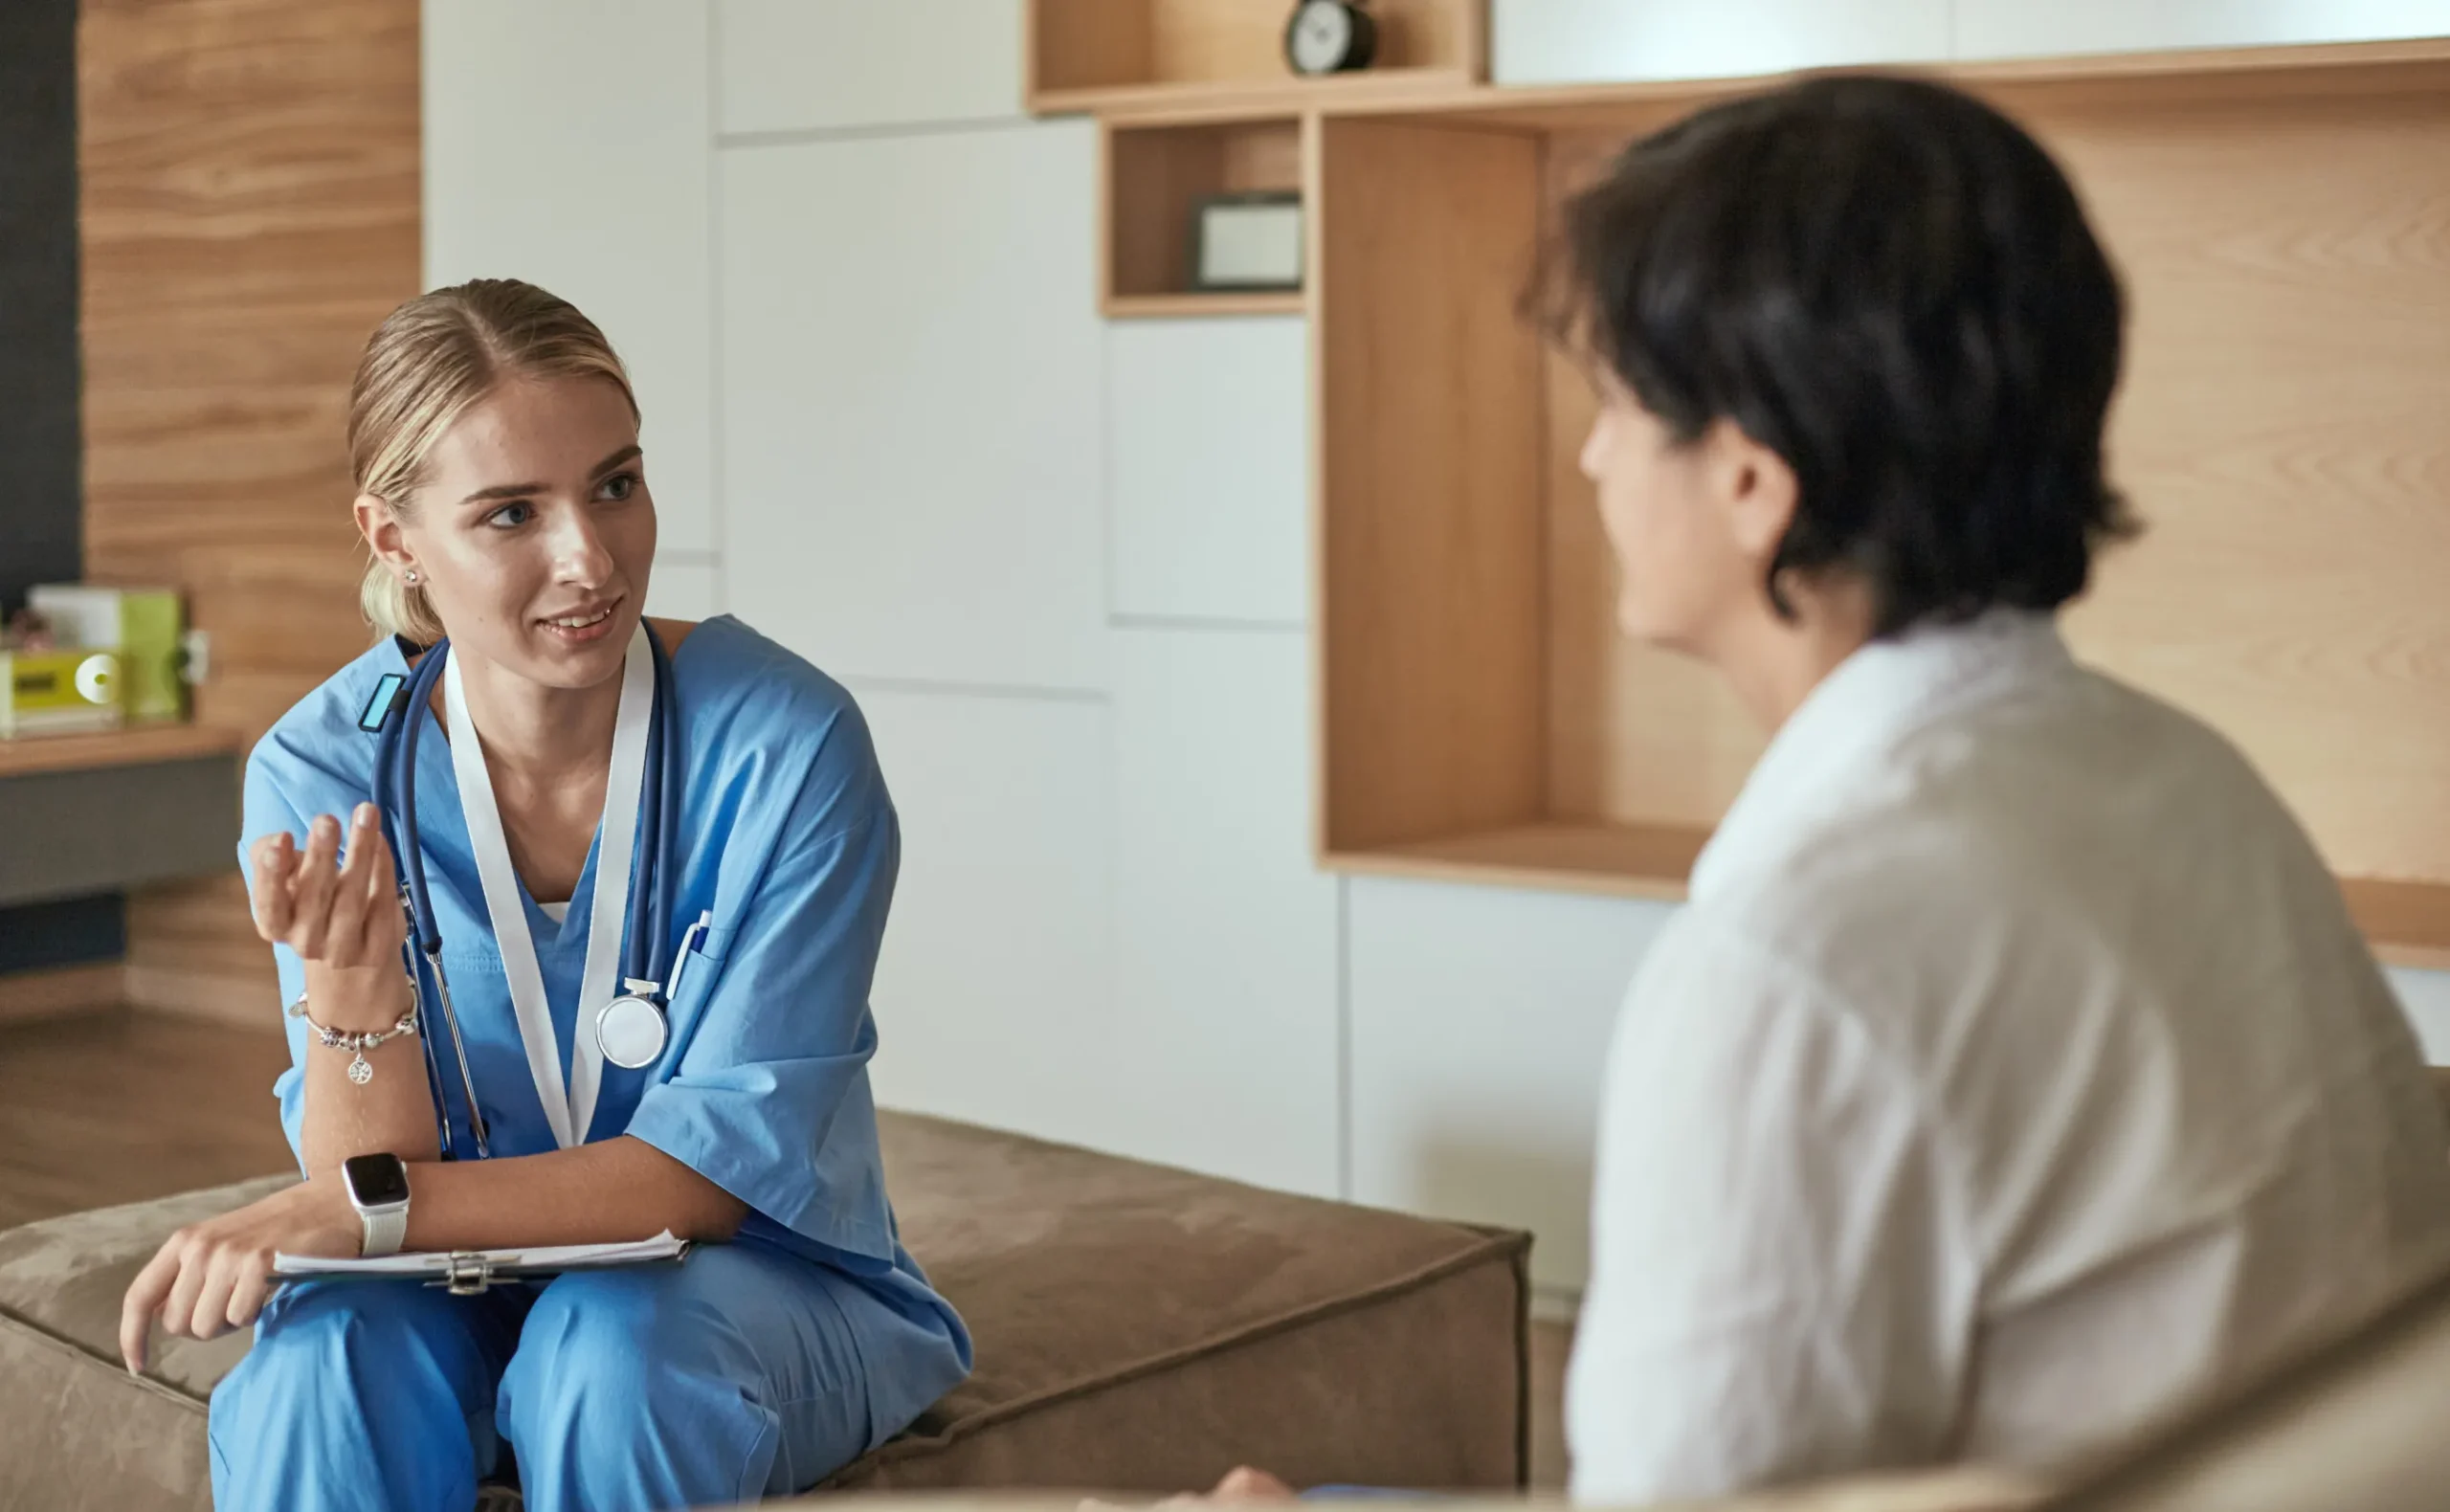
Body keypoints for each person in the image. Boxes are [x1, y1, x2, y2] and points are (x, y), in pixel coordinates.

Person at [1220, 74, 2450, 1503]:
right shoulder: (2190, 782)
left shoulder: (1798, 957)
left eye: (1618, 400)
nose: (1593, 453)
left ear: (1754, 484)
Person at [115, 278, 971, 1510]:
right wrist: (358, 992)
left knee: (610, 1357)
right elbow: (373, 1172)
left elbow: (710, 1176)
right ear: (394, 537)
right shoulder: (322, 774)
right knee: (320, 1365)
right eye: (511, 512)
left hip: (739, 1288)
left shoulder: (787, 745)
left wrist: (340, 1212)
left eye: (615, 484)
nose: (590, 555)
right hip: (440, 1286)